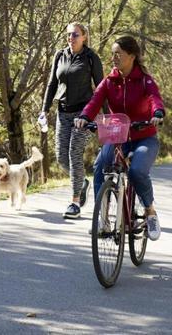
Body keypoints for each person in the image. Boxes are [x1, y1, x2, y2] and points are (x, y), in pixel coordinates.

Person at [74, 35, 165, 240]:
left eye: (119, 54)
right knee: (100, 166)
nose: (114, 58)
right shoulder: (109, 81)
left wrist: (157, 113)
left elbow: (154, 99)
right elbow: (94, 101)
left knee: (137, 171)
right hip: (117, 135)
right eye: (112, 54)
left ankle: (150, 211)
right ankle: (103, 219)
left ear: (132, 56)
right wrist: (84, 117)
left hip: (144, 137)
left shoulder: (144, 80)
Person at [40, 22, 104, 219]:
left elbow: (101, 88)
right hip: (63, 112)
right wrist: (44, 109)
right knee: (61, 157)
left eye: (75, 34)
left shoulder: (91, 58)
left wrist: (106, 115)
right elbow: (52, 84)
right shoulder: (60, 55)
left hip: (84, 115)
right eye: (68, 34)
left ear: (84, 36)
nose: (71, 38)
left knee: (74, 153)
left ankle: (75, 202)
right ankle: (82, 182)